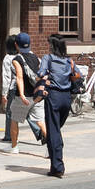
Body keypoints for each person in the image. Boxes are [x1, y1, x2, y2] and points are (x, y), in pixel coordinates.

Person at [38, 35, 75, 178]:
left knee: (53, 132)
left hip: (53, 96)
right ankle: (56, 164)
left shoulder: (48, 58)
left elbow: (41, 73)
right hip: (67, 98)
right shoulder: (69, 60)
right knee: (56, 130)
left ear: (52, 46)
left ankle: (57, 167)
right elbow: (77, 75)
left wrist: (45, 76)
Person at [7, 32, 46, 154]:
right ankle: (52, 149)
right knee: (40, 122)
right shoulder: (36, 58)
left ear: (16, 45)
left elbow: (19, 77)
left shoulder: (16, 59)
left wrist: (22, 94)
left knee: (14, 120)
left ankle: (14, 147)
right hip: (37, 95)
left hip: (23, 97)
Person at [0, 33, 19, 141]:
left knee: (10, 112)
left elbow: (6, 78)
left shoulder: (8, 58)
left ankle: (8, 135)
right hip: (25, 88)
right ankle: (40, 132)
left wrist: (4, 94)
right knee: (29, 112)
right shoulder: (23, 55)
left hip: (13, 88)